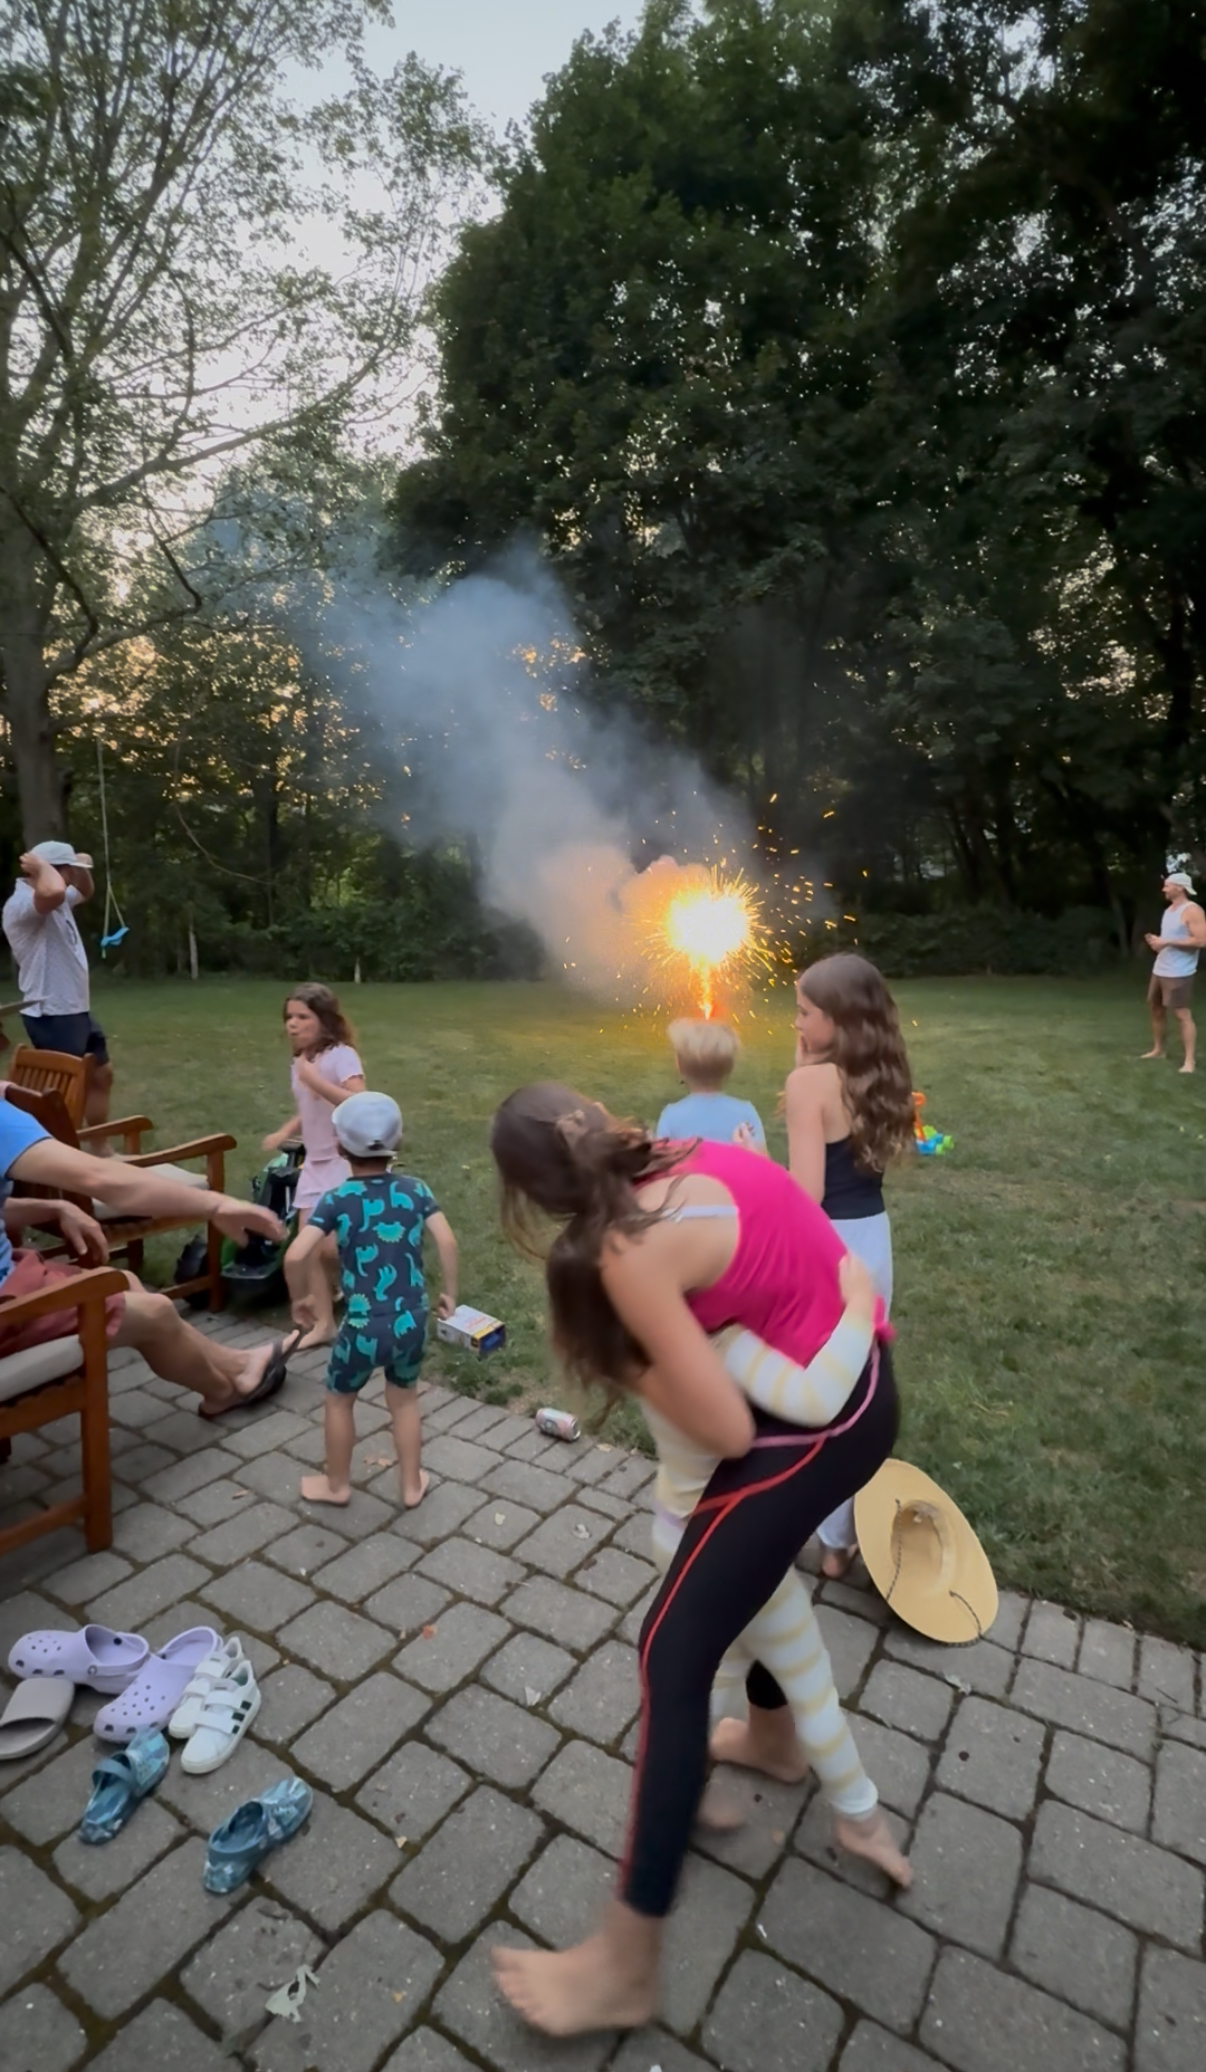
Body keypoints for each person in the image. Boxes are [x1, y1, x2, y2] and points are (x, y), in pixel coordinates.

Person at [489, 1084, 900, 2037]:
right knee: (739, 1588)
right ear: (598, 1116)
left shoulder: (624, 1250)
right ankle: (773, 1743)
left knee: (670, 1656)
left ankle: (626, 1965)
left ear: (529, 1197)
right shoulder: (681, 1148)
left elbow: (716, 1424)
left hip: (820, 1421)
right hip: (854, 1377)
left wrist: (619, 1362)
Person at [650, 1254, 909, 1887]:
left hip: (676, 1526)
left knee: (723, 1663)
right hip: (727, 1544)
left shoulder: (642, 1339)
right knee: (809, 1678)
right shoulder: (724, 1341)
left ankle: (691, 1785)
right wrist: (855, 1307)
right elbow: (819, 1400)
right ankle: (860, 1818)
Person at [0, 1092, 291, 1416]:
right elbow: (102, 1180)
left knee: (122, 1280)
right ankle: (224, 1392)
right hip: (8, 1302)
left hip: (12, 1281)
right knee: (154, 1313)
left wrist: (52, 1207)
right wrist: (216, 1204)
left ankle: (239, 1364)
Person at [785, 953, 915, 1578]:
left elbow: (805, 1192)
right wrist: (805, 1060)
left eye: (804, 1013)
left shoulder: (808, 1086)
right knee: (856, 1391)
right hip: (871, 1244)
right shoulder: (880, 1071)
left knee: (807, 1390)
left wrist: (755, 1163)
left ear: (836, 1019)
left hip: (823, 1250)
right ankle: (838, 1542)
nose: (795, 1023)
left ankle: (783, 1518)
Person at [284, 1092, 458, 1509]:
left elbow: (295, 1254)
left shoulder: (337, 1199)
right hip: (411, 1319)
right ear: (397, 1142)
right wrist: (449, 1292)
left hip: (362, 1326)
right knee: (404, 1399)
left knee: (339, 1400)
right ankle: (411, 1486)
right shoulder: (416, 1190)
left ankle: (338, 1485)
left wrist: (301, 1298)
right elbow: (447, 1240)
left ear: (340, 1147)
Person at [262, 983, 365, 1347]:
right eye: (289, 1017)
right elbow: (308, 1109)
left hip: (342, 1161)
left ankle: (364, 1299)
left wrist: (314, 1080)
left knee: (330, 1248)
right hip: (314, 1165)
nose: (292, 1024)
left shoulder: (341, 1056)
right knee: (308, 1250)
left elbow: (359, 1103)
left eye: (302, 1017)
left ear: (324, 1020)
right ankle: (325, 1325)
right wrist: (285, 1130)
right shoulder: (301, 1063)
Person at [2, 844, 114, 1130]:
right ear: (47, 872)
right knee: (63, 1093)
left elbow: (85, 892)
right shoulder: (23, 904)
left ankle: (100, 1148)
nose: (70, 879)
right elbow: (50, 891)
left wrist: (81, 867)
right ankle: (58, 1153)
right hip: (51, 1012)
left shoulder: (59, 897)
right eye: (66, 872)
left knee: (101, 1075)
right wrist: (42, 867)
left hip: (75, 1007)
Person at [656, 1019, 766, 1150]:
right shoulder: (746, 1112)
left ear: (680, 1066)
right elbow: (762, 1160)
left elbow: (660, 1160)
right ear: (730, 1068)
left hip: (689, 1171)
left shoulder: (671, 1116)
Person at [1142, 870, 1206, 1074]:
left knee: (1181, 1014)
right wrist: (1158, 943)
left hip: (1179, 971)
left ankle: (1189, 1062)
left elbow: (1200, 941)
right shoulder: (1169, 911)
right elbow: (1170, 939)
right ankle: (1158, 1050)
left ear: (1180, 888)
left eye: (1168, 885)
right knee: (1155, 1007)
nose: (1164, 889)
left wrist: (1167, 941)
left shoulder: (1192, 910)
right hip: (1161, 968)